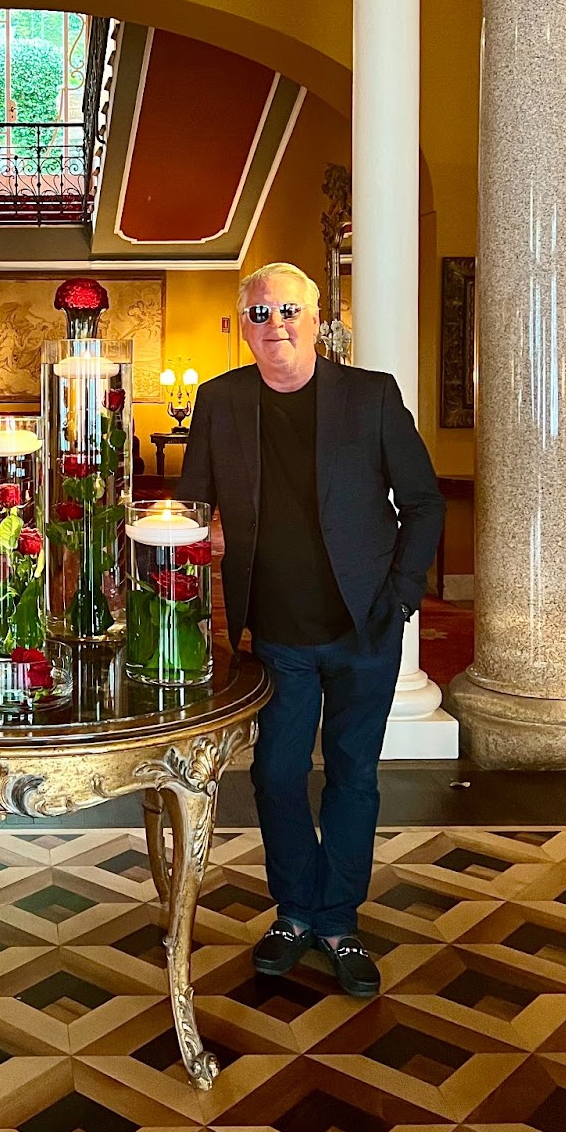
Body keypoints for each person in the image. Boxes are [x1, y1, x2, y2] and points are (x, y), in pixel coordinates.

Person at [178, 262, 444, 997]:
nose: (276, 327)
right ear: (244, 323)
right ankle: (294, 912)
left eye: (289, 311)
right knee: (275, 773)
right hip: (279, 637)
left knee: (355, 776)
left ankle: (338, 920)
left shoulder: (370, 397)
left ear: (317, 318)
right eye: (260, 314)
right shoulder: (221, 401)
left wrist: (400, 599)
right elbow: (191, 513)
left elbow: (424, 502)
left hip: (365, 629)